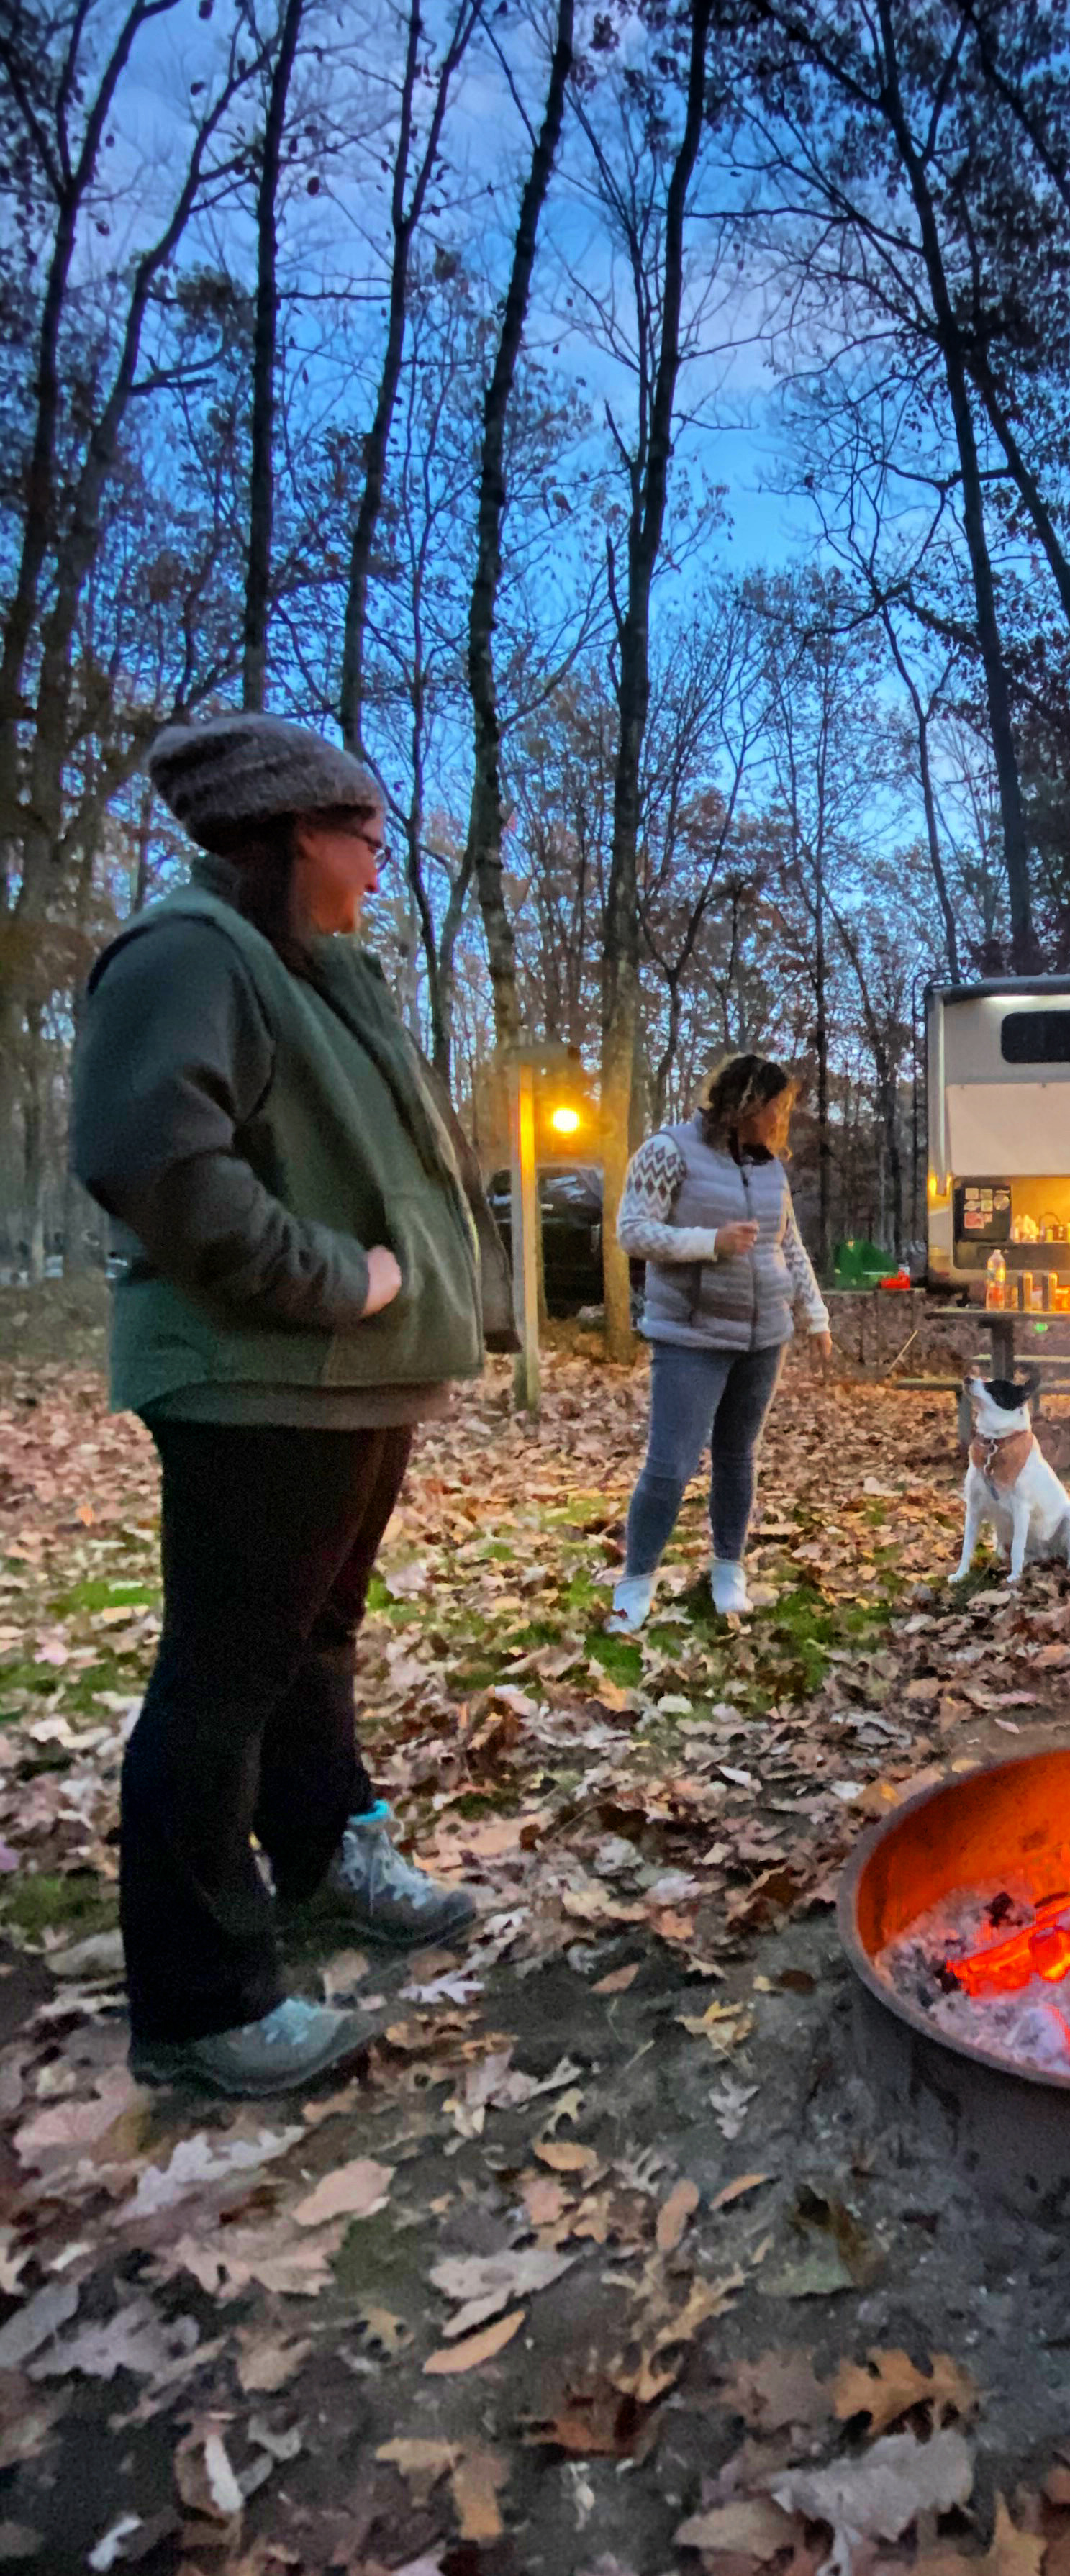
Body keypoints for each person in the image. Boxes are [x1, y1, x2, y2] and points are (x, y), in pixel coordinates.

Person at [72, 714, 489, 2098]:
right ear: (295, 830)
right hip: (260, 1380)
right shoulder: (191, 954)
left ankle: (321, 1854)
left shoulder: (307, 968)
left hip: (340, 1387)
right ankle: (200, 2002)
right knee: (221, 1684)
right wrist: (340, 1280)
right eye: (366, 836)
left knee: (315, 1642)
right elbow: (154, 1160)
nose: (380, 864)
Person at [609, 1051, 832, 1627]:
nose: (784, 1119)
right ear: (748, 1104)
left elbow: (789, 1245)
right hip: (692, 1335)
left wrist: (816, 1315)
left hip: (765, 1337)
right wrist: (710, 1241)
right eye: (778, 1107)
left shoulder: (770, 1168)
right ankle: (635, 1585)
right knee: (670, 1465)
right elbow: (633, 1232)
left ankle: (728, 1571)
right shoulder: (668, 1151)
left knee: (738, 1456)